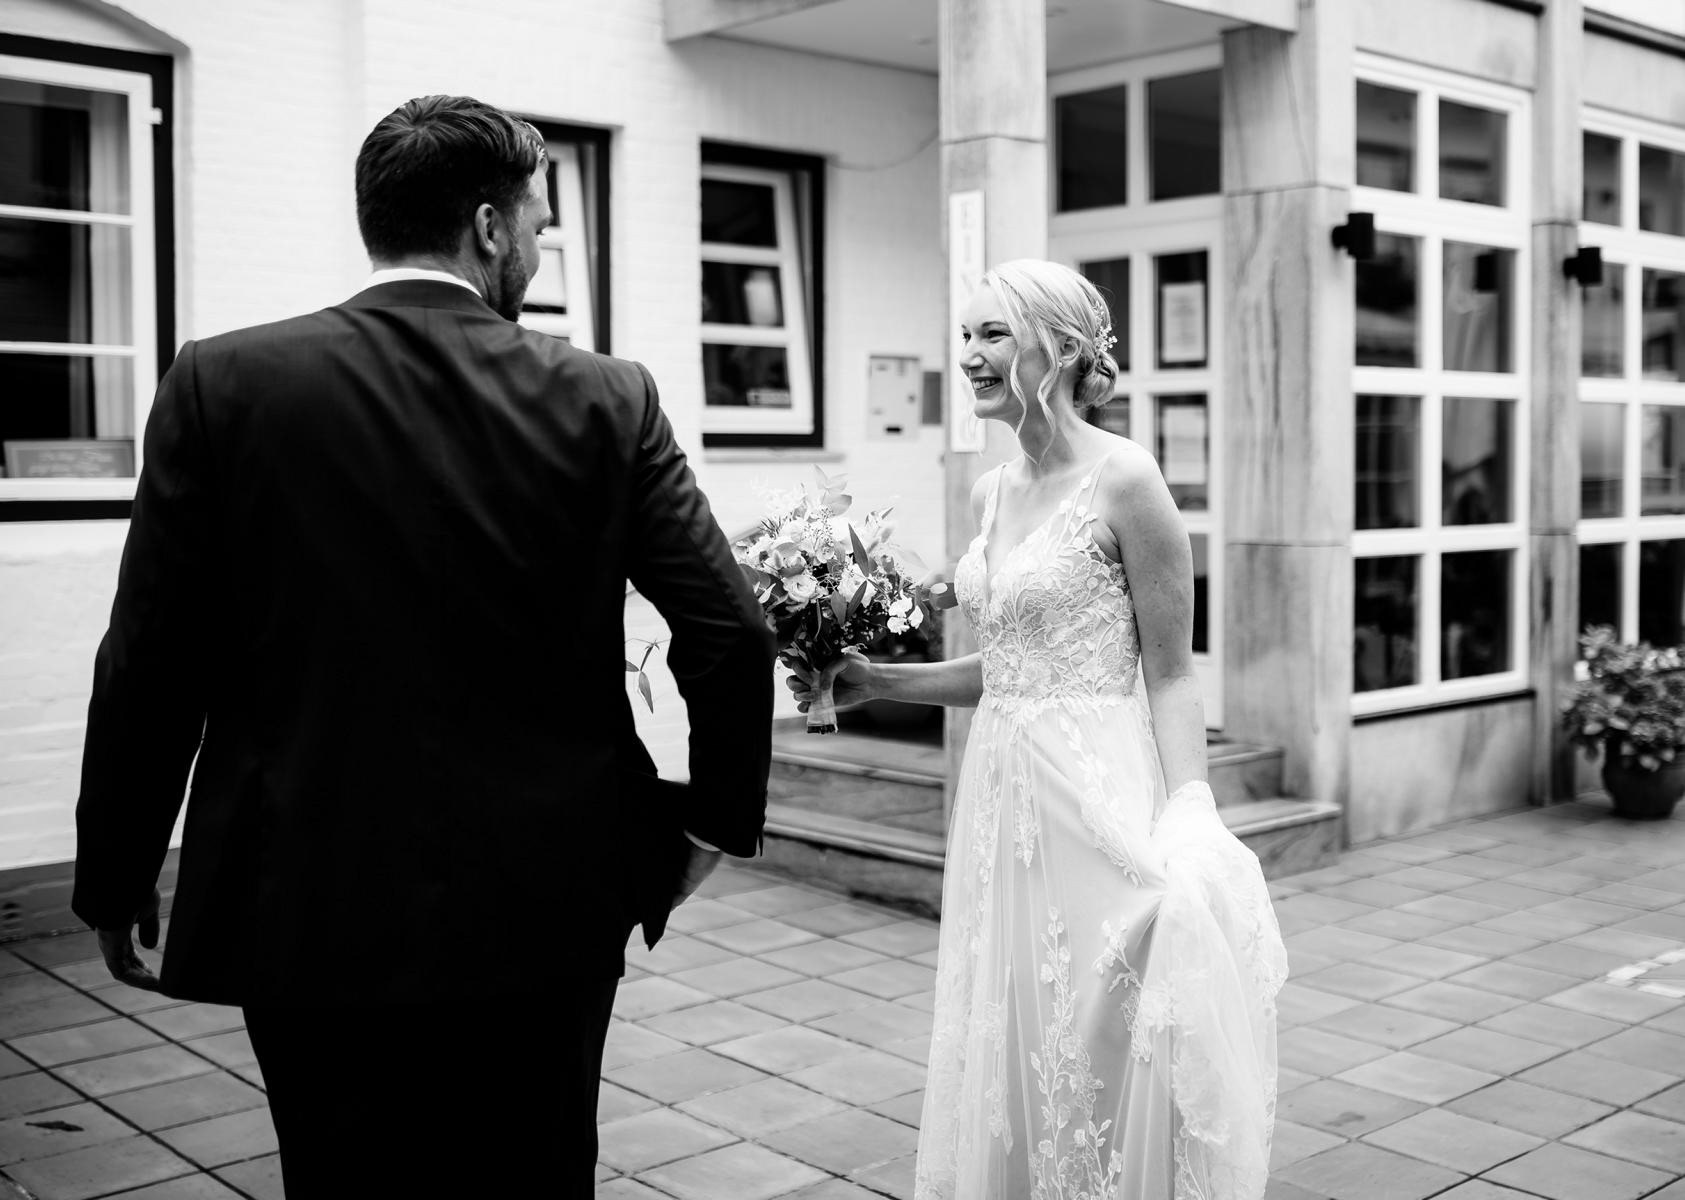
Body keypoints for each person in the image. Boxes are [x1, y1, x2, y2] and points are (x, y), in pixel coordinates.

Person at [72, 94, 775, 1197]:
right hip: (550, 893)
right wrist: (710, 824)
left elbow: (152, 654)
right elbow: (729, 629)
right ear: (487, 228)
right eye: (537, 225)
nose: (536, 248)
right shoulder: (607, 397)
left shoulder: (224, 381)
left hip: (306, 889)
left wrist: (116, 871)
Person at [793, 260, 1286, 1200]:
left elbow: (1170, 672)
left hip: (1094, 790)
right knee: (1015, 1022)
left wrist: (1190, 808)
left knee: (1107, 1024)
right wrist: (873, 682)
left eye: (992, 335)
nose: (969, 355)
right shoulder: (990, 491)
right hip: (1000, 798)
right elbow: (1011, 667)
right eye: (965, 335)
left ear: (1058, 349)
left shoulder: (1126, 479)